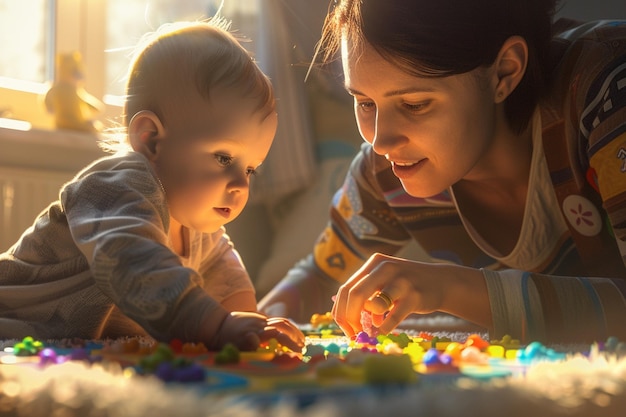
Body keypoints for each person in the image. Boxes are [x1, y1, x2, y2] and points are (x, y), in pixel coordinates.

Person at [259, 0, 626, 344]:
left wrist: (448, 288)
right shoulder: (385, 174)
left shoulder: (608, 94)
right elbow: (319, 276)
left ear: (504, 72)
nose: (380, 141)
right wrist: (258, 322)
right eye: (365, 102)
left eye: (415, 104)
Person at [0, 18, 304, 352]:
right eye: (223, 158)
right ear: (151, 139)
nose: (240, 186)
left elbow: (226, 274)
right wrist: (216, 324)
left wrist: (248, 323)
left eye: (250, 170)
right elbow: (136, 264)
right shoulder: (116, 186)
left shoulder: (198, 225)